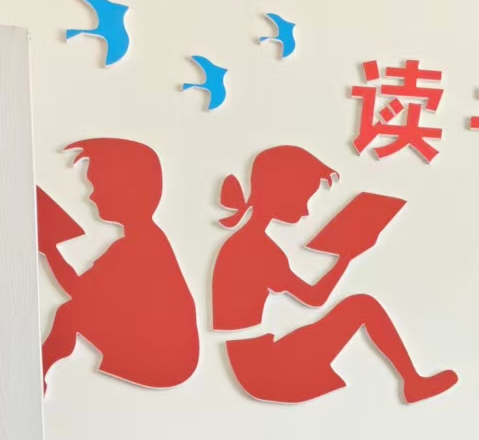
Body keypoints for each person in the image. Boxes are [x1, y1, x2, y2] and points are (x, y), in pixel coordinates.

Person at [210, 145, 456, 405]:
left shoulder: (245, 243)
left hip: (252, 362)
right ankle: (413, 382)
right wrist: (346, 256)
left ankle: (413, 382)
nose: (306, 211)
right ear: (280, 193)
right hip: (264, 369)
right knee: (361, 306)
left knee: (358, 307)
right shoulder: (257, 249)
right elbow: (314, 298)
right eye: (304, 198)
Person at [39, 138, 200, 391]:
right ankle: (41, 368)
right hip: (169, 356)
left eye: (96, 186)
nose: (90, 196)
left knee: (71, 313)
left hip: (162, 361)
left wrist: (49, 249)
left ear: (126, 191)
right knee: (73, 311)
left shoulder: (138, 246)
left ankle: (39, 370)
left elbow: (77, 291)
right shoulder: (145, 239)